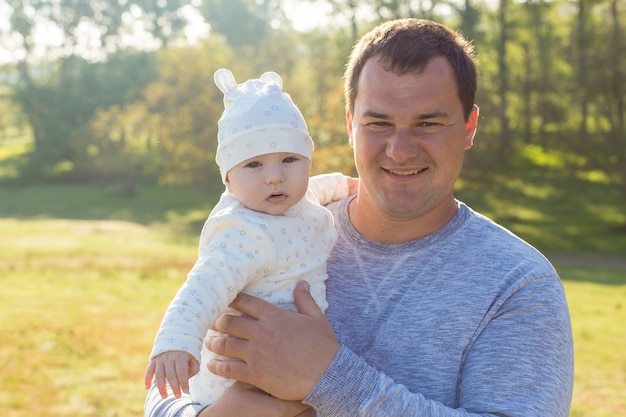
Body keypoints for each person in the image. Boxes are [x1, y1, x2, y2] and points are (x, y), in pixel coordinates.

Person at [145, 18, 574, 417]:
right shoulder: (280, 227)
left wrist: (328, 379)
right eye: (379, 123)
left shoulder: (518, 284)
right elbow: (165, 390)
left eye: (428, 123)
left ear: (468, 127)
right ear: (350, 123)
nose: (400, 149)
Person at [144, 68, 352, 414]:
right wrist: (176, 344)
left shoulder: (300, 200)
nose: (275, 176)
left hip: (295, 367)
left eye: (289, 160)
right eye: (254, 165)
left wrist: (348, 185)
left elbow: (319, 186)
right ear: (228, 178)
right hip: (239, 383)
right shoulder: (243, 230)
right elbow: (203, 287)